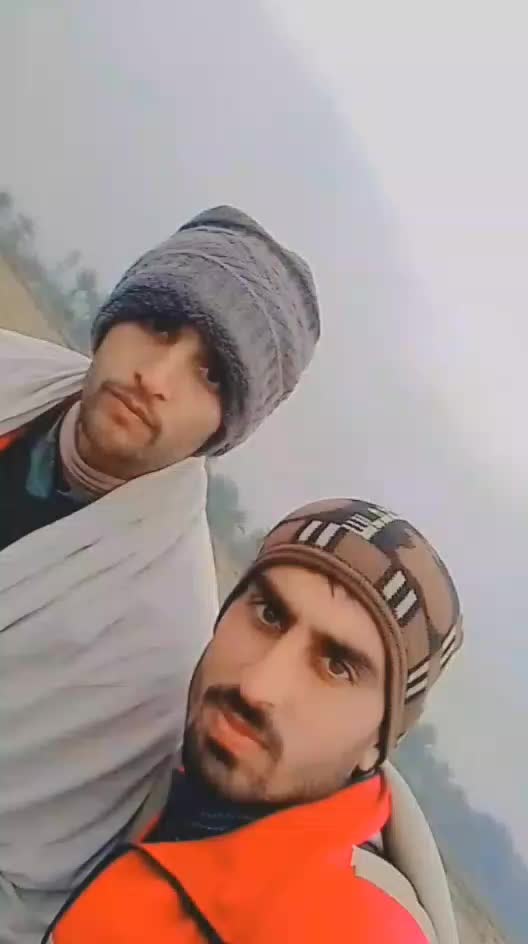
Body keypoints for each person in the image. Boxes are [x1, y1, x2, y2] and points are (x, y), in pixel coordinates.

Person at [0, 206, 320, 942]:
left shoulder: (158, 644)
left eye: (210, 374)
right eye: (160, 325)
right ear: (117, 314)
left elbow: (24, 882)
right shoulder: (10, 371)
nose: (157, 377)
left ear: (223, 429)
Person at [45, 498, 464, 944]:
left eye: (336, 666)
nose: (257, 687)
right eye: (269, 615)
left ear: (376, 744)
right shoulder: (160, 776)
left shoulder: (357, 929)